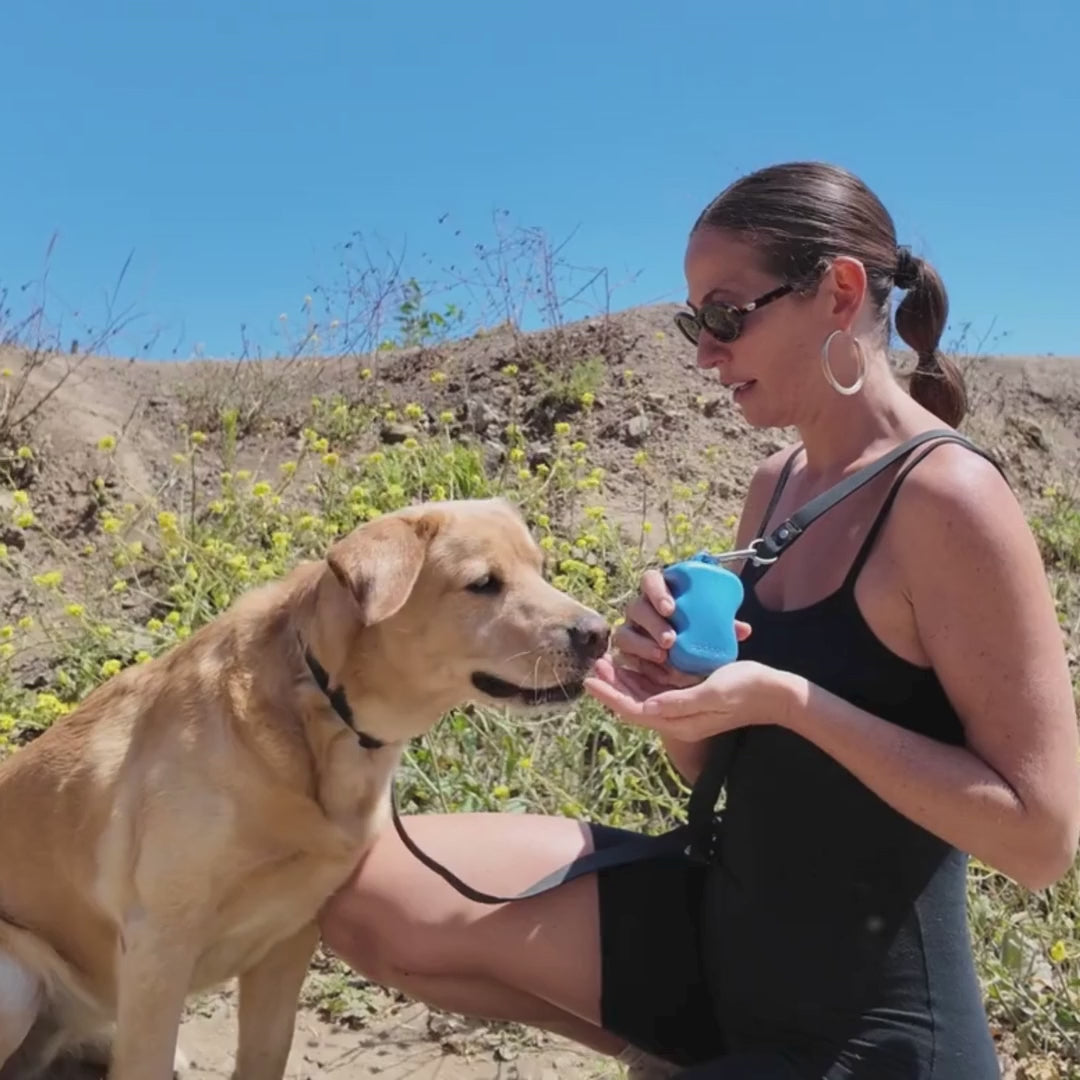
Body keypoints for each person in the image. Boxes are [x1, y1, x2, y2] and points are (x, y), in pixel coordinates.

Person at [317, 161, 1080, 1079]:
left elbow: (1041, 839)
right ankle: (679, 1056)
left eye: (725, 314)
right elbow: (721, 762)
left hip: (869, 1027)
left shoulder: (947, 497)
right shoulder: (778, 487)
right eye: (694, 321)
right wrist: (679, 693)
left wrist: (793, 703)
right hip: (721, 928)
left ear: (837, 291)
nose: (704, 350)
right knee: (362, 895)